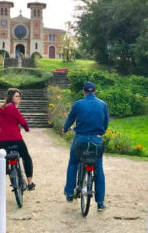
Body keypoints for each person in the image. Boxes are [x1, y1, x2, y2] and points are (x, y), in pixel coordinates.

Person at [62, 81, 109, 212]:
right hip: (96, 140)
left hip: (80, 139)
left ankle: (70, 193)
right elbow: (106, 122)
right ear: (95, 91)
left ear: (84, 92)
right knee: (98, 169)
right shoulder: (103, 104)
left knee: (73, 163)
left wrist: (65, 129)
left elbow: (70, 119)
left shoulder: (78, 104)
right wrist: (101, 133)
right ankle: (100, 203)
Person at [0, 88, 35, 191]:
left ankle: (8, 180)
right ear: (11, 97)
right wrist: (26, 128)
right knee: (26, 157)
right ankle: (30, 183)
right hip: (16, 139)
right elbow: (22, 120)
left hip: (3, 141)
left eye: (19, 96)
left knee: (3, 162)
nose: (19, 98)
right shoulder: (12, 108)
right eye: (17, 96)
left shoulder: (2, 108)